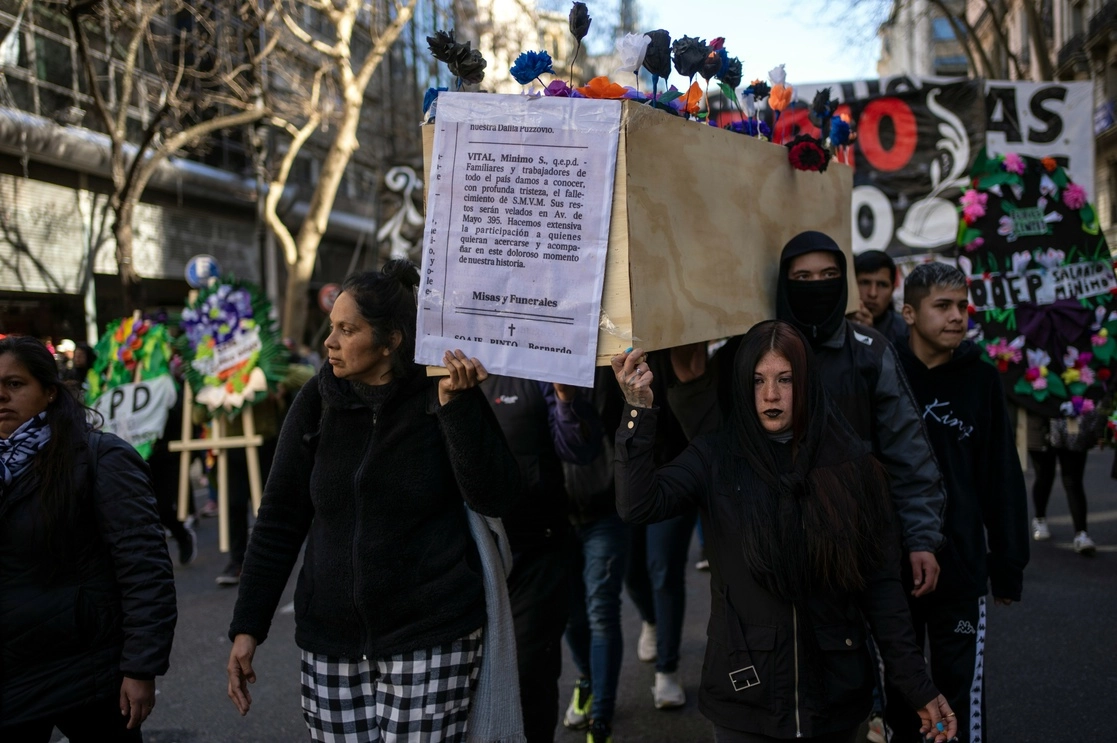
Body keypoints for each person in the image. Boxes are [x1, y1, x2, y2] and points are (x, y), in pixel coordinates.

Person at [612, 323, 957, 743]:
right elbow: (638, 504)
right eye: (758, 380)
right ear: (742, 385)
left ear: (807, 383)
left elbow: (882, 588)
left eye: (785, 379)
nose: (771, 395)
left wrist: (916, 684)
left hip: (835, 694)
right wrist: (638, 410)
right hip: (745, 695)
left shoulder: (852, 467)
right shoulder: (715, 457)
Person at [226, 261, 523, 742]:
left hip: (431, 639)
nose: (330, 342)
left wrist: (459, 408)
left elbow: (496, 495)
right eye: (331, 328)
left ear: (391, 342)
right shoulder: (315, 401)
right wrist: (248, 627)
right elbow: (279, 519)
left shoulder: (441, 392)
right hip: (329, 644)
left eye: (347, 330)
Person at [0, 336, 177, 740]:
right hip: (11, 678)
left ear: (48, 392)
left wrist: (140, 667)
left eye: (14, 384)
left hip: (88, 676)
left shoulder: (100, 458)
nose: (1, 397)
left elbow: (144, 569)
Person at [890, 263, 1029, 742]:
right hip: (892, 566)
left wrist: (1008, 562)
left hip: (962, 566)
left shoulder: (982, 379)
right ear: (909, 312)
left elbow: (1001, 477)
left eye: (962, 306)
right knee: (898, 692)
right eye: (942, 306)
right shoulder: (882, 373)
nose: (957, 317)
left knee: (959, 690)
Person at [481, 372, 600, 742]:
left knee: (529, 678)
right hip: (472, 558)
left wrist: (566, 399)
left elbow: (578, 448)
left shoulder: (539, 367)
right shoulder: (452, 360)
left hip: (536, 551)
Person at [562, 368, 631, 743]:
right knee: (572, 614)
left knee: (601, 610)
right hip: (556, 512)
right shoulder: (530, 363)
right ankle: (588, 676)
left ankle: (600, 720)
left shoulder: (608, 360)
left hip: (603, 504)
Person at [1027, 410, 1103, 555]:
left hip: (1074, 420)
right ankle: (1040, 518)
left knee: (1073, 480)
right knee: (1044, 476)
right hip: (1040, 422)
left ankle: (1081, 533)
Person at [849, 250, 907, 343]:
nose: (873, 293)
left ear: (892, 290)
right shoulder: (836, 326)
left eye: (882, 285)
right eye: (865, 283)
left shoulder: (905, 331)